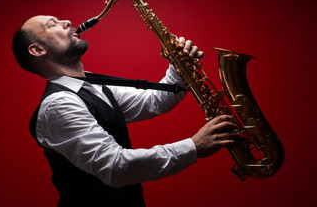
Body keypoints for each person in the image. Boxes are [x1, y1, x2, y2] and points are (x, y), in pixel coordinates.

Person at [12, 15, 239, 207]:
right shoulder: (59, 105)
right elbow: (116, 167)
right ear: (37, 49)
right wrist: (194, 147)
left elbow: (155, 101)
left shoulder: (93, 87)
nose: (67, 21)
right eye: (52, 24)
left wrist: (179, 65)